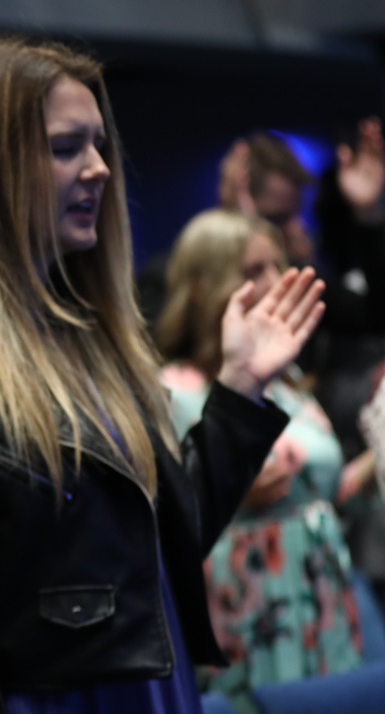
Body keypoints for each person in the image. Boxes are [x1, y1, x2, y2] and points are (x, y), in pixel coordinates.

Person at [0, 37, 326, 713]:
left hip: (154, 683)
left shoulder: (97, 336)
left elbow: (166, 543)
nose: (98, 169)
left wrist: (240, 387)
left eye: (98, 145)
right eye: (65, 148)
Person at [158, 209, 376, 706]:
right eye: (253, 270)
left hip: (323, 599)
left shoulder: (288, 385)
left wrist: (375, 457)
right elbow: (170, 520)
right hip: (250, 610)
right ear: (202, 287)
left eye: (276, 265)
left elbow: (328, 493)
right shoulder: (172, 391)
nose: (274, 282)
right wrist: (231, 490)